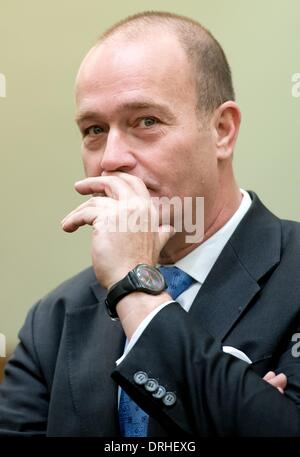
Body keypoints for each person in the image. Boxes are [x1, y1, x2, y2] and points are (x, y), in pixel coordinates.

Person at [0, 11, 299, 437]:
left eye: (146, 121)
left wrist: (133, 286)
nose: (110, 158)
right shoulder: (55, 319)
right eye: (94, 129)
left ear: (222, 130)